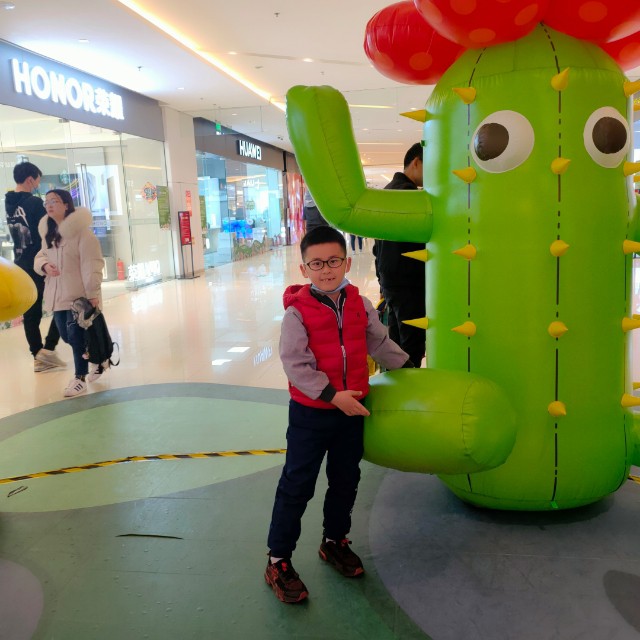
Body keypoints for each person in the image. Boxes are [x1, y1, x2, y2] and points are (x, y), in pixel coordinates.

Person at [265, 226, 414, 603]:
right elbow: (296, 364)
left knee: (345, 480)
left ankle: (334, 541)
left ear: (347, 263)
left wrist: (408, 370)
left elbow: (379, 342)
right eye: (316, 263)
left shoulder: (360, 304)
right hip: (311, 414)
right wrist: (333, 396)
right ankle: (278, 559)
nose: (326, 269)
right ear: (304, 269)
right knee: (297, 485)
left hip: (351, 412)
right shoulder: (297, 313)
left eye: (333, 261)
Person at [34, 189, 105, 398]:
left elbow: (91, 264)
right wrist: (44, 265)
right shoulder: (49, 233)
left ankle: (79, 378)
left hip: (78, 296)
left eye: (54, 201)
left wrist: (92, 293)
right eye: (46, 202)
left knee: (75, 336)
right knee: (66, 336)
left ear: (66, 205)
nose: (49, 205)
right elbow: (40, 255)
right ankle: (99, 358)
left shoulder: (83, 233)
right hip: (57, 295)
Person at [4, 162, 64, 372]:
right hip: (40, 263)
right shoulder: (35, 203)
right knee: (62, 303)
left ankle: (38, 355)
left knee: (31, 312)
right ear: (30, 179)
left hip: (21, 264)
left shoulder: (9, 203)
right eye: (37, 181)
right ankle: (47, 350)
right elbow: (48, 232)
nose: (38, 184)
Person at [373, 142, 427, 368]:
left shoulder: (387, 191)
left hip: (390, 282)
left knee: (395, 345)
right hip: (409, 284)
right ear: (416, 162)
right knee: (412, 346)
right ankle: (409, 386)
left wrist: (381, 281)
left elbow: (377, 244)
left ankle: (394, 382)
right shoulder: (410, 196)